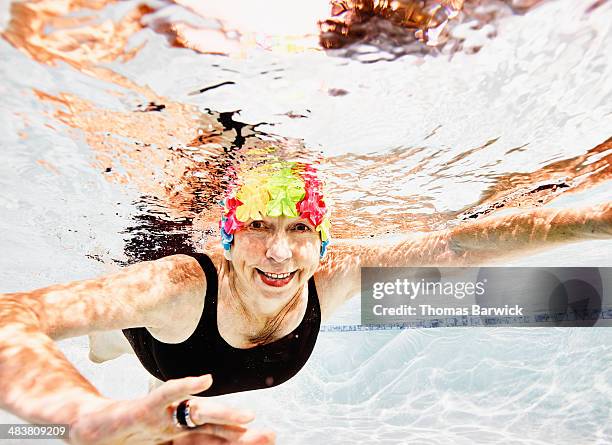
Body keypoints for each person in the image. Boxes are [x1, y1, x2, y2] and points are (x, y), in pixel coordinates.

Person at [0, 160, 610, 445]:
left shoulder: (333, 274)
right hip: (157, 293)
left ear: (322, 242)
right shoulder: (177, 287)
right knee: (105, 348)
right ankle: (105, 338)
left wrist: (593, 221)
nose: (280, 256)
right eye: (260, 228)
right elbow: (10, 315)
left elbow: (457, 239)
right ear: (230, 238)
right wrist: (78, 412)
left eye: (298, 232)